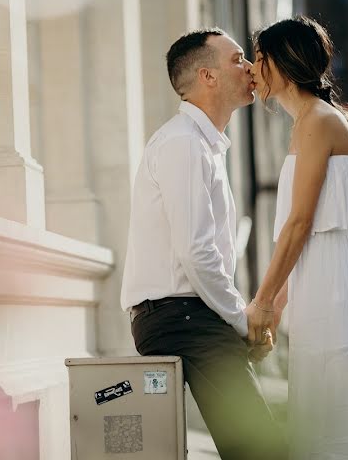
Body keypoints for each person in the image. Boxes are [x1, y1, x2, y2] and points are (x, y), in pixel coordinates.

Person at [121, 28, 286, 459]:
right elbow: (197, 252)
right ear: (207, 77)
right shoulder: (183, 144)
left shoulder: (201, 145)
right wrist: (241, 319)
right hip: (182, 317)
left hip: (189, 316)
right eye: (236, 59)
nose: (249, 67)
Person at [247, 16, 348, 459]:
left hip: (336, 286)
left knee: (335, 417)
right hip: (321, 280)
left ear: (281, 65)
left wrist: (264, 299)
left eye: (258, 58)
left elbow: (300, 224)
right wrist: (279, 304)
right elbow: (304, 232)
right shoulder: (307, 122)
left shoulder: (319, 122)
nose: (252, 69)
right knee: (318, 415)